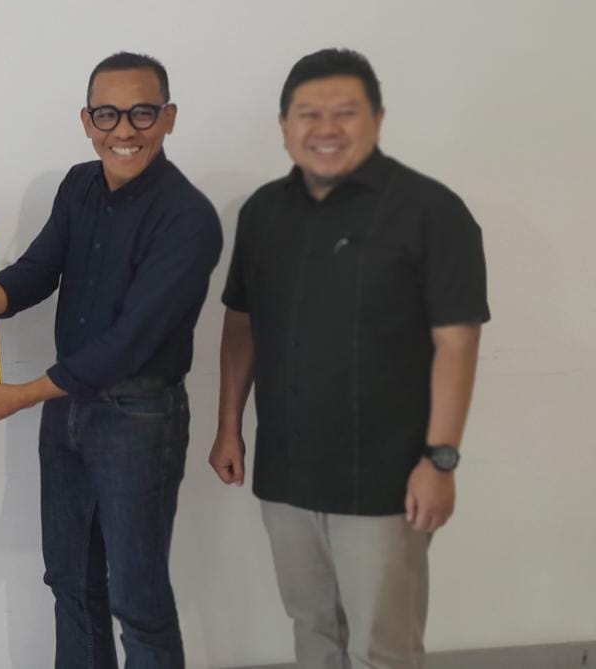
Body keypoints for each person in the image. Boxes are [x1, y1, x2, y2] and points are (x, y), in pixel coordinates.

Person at [0, 52, 222, 669]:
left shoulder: (188, 218)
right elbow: (38, 270)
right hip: (67, 408)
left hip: (138, 416)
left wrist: (22, 395)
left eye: (142, 113)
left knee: (138, 601)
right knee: (70, 581)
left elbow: (130, 342)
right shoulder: (78, 185)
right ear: (86, 121)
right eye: (107, 114)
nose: (124, 130)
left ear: (168, 117)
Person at [208, 48, 489, 668]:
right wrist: (229, 425)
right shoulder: (263, 213)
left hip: (387, 477)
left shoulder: (430, 212)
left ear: (377, 119)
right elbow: (242, 322)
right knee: (312, 630)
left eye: (345, 112)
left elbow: (457, 343)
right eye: (308, 113)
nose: (326, 128)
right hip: (286, 472)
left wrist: (440, 461)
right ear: (285, 126)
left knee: (382, 648)